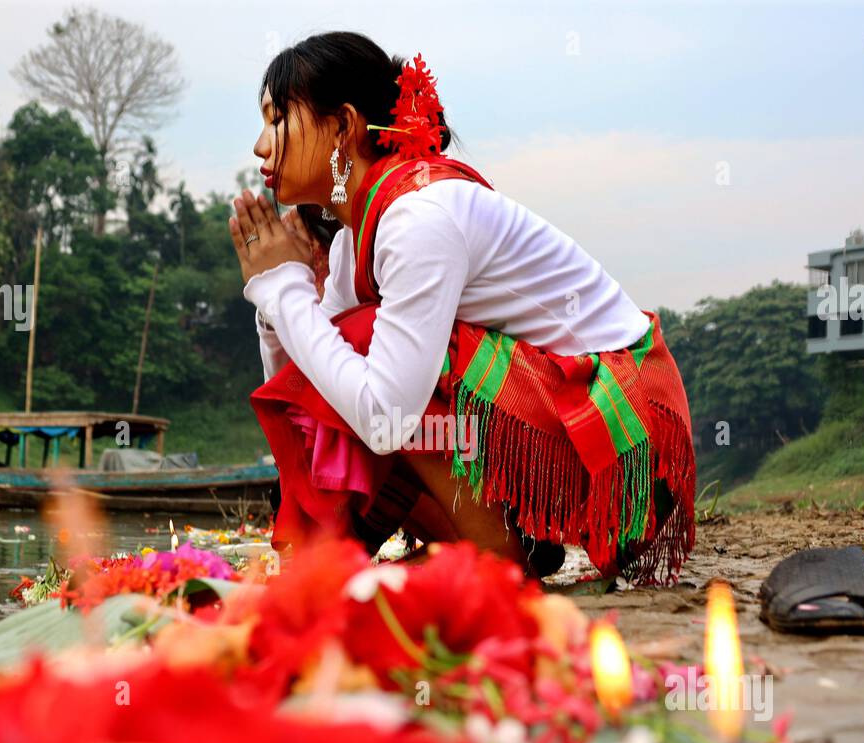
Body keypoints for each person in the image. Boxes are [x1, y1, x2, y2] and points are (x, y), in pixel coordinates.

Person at [229, 31, 695, 586]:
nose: (261, 146)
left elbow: (387, 419)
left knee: (368, 348)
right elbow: (307, 396)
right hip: (563, 427)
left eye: (277, 119)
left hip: (625, 438)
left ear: (342, 126)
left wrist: (287, 292)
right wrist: (275, 303)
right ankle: (505, 539)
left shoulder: (418, 218)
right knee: (345, 367)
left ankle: (498, 556)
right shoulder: (361, 234)